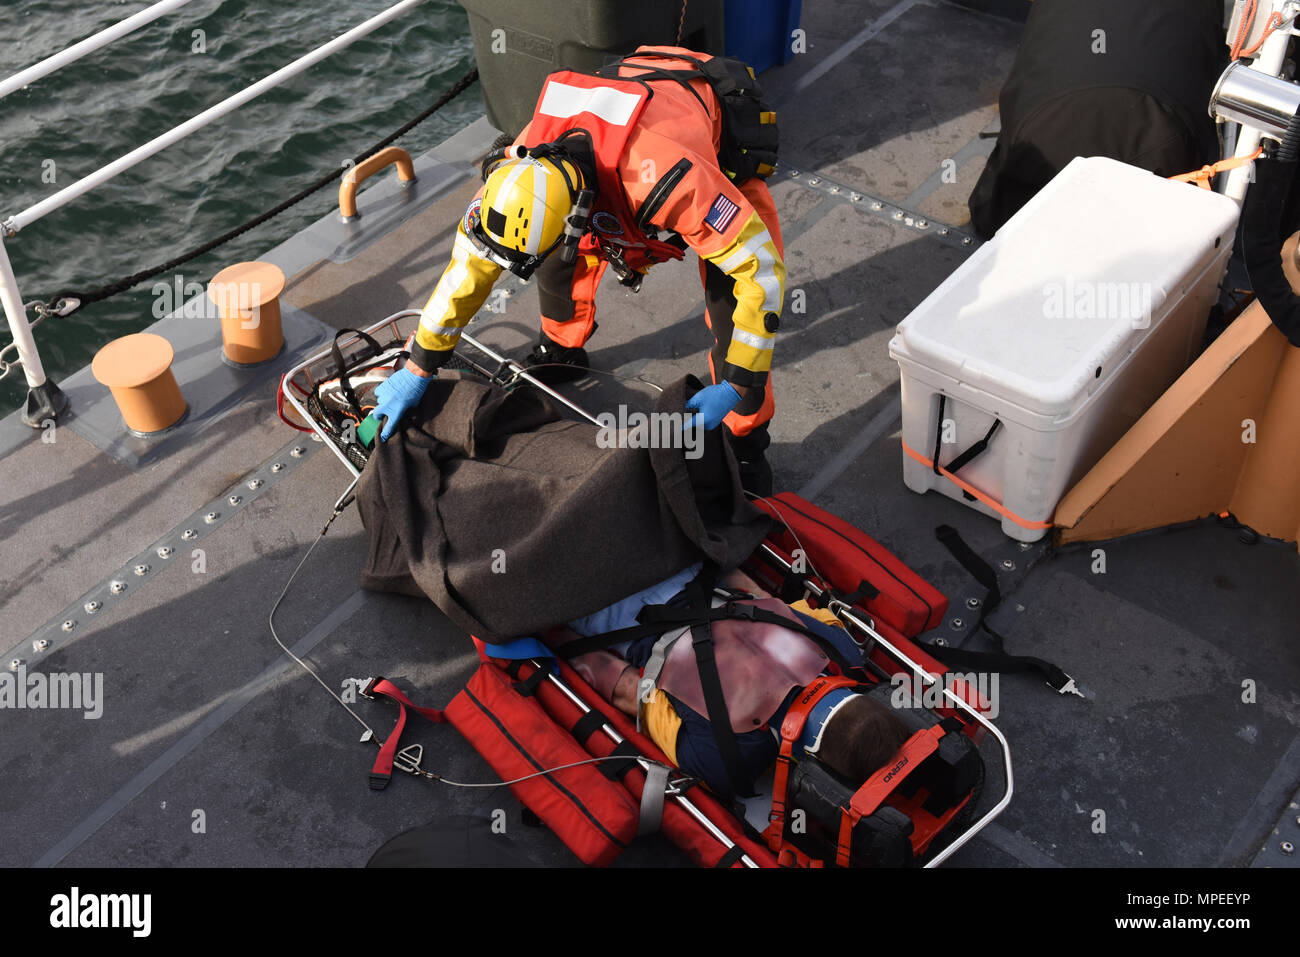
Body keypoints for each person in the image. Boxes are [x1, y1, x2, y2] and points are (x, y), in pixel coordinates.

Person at [371, 46, 786, 494]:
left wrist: (737, 383)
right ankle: (563, 348)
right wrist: (419, 366)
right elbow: (470, 267)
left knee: (735, 320)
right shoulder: (520, 167)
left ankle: (746, 444)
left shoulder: (673, 181)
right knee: (556, 265)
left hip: (701, 140)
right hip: (609, 154)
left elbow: (760, 271)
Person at [548, 566, 912, 800]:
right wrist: (552, 634)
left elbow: (756, 594)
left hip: (672, 562)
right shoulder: (729, 762)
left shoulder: (844, 654)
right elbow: (631, 690)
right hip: (601, 608)